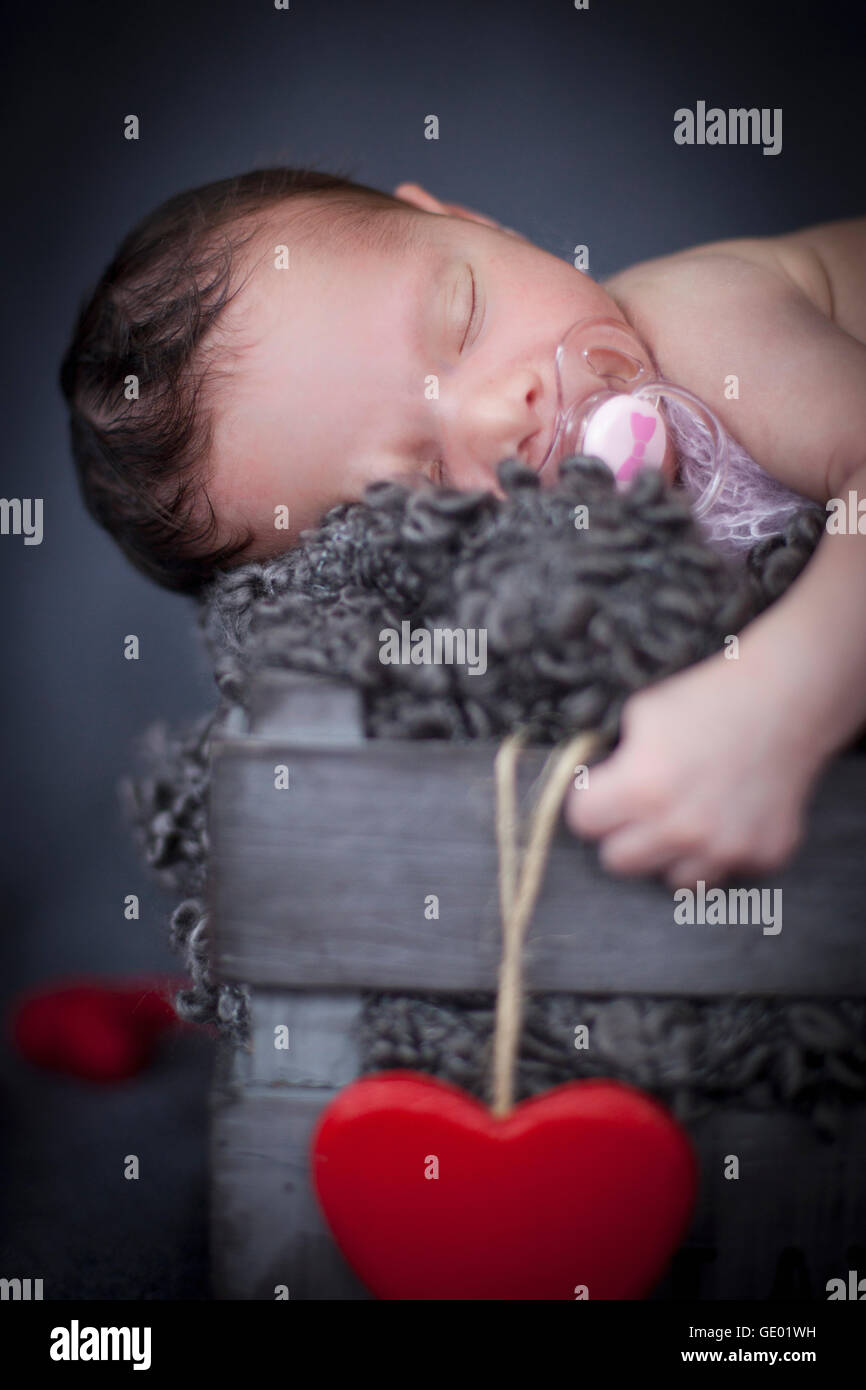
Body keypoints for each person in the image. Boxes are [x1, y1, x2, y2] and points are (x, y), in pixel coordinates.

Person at [59, 168, 866, 887]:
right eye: (426, 480)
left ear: (473, 220)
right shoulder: (547, 597)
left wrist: (775, 706)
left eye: (465, 319)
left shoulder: (699, 321)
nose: (497, 416)